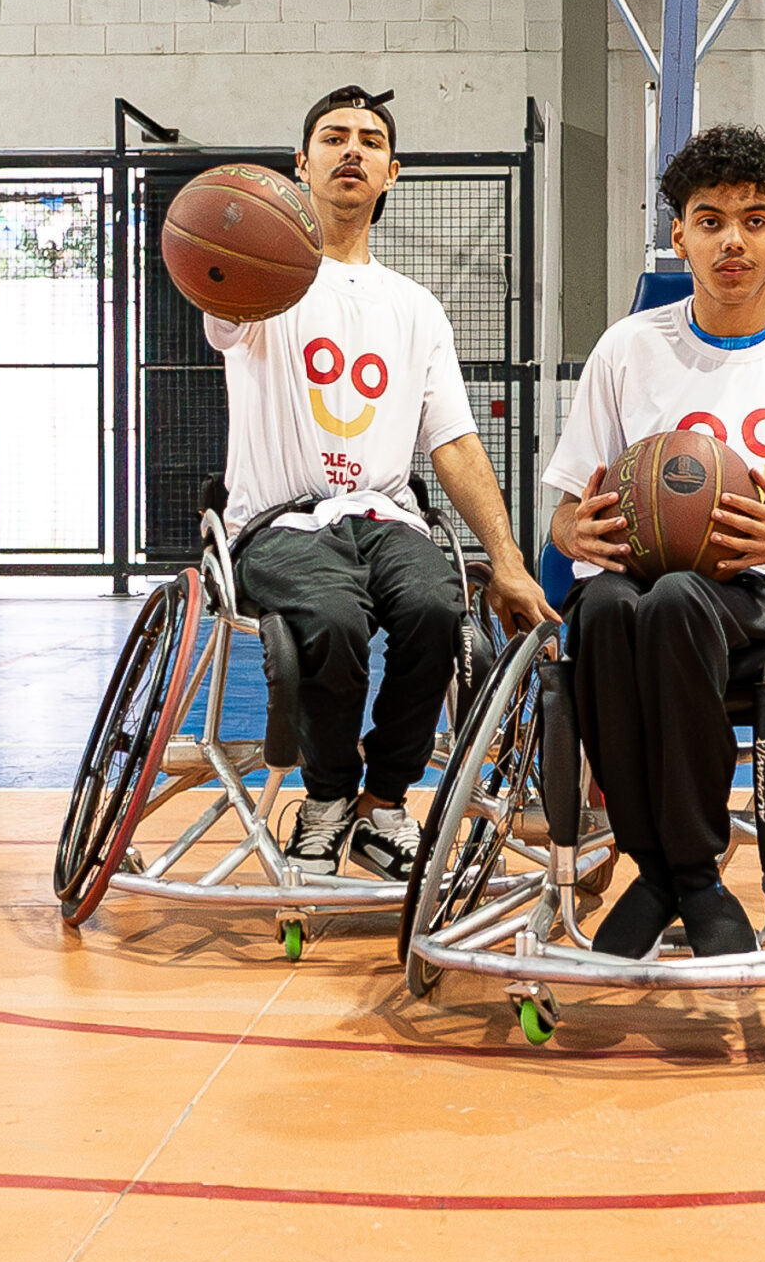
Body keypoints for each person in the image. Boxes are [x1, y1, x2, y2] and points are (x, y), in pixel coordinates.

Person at [545, 125, 765, 959]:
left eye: (754, 218)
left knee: (672, 602)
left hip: (763, 596)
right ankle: (678, 875)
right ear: (680, 237)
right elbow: (562, 515)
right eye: (710, 220)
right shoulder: (629, 348)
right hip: (635, 584)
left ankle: (677, 873)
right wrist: (573, 528)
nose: (733, 239)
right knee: (611, 608)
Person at [207, 84, 557, 881]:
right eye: (333, 137)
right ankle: (327, 799)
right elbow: (216, 296)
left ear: (392, 172)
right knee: (331, 617)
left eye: (369, 140)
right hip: (279, 523)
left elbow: (457, 445)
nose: (352, 150)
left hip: (386, 517)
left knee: (438, 609)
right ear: (302, 165)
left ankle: (383, 804)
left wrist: (504, 558)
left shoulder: (417, 308)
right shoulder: (262, 281)